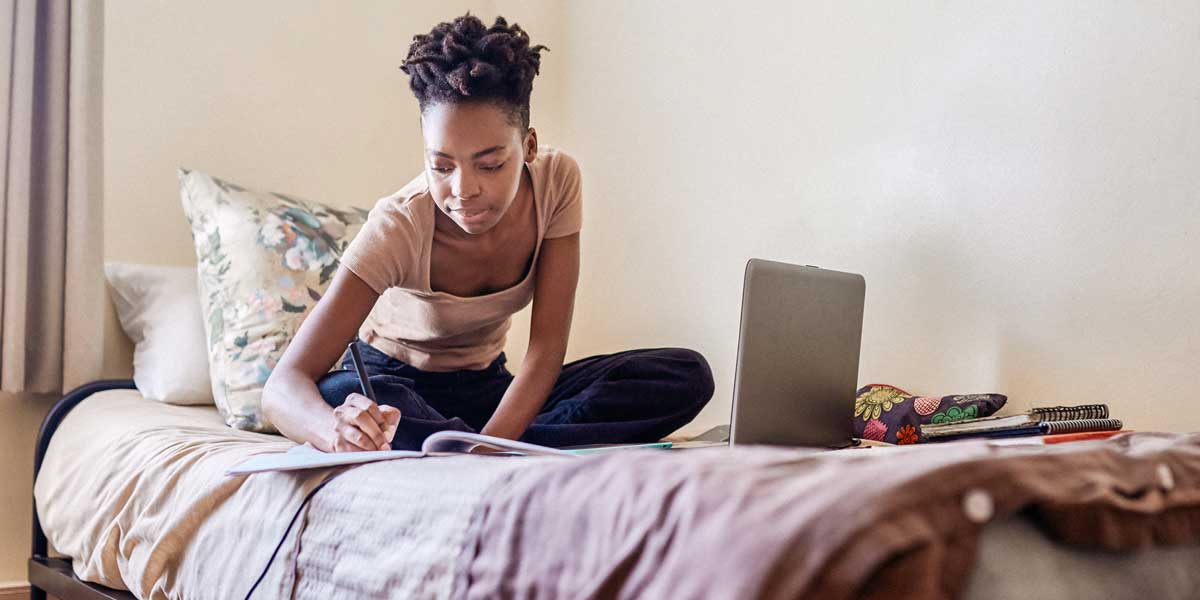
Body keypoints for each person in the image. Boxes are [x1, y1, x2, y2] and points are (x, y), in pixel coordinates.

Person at [262, 14, 714, 452]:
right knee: (351, 394)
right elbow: (282, 388)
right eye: (440, 165)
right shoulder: (398, 225)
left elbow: (545, 350)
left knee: (684, 375)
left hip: (490, 388)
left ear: (529, 147)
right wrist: (333, 431)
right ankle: (508, 442)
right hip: (399, 385)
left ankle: (462, 446)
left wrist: (488, 448)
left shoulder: (557, 183)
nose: (463, 190)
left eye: (491, 164)